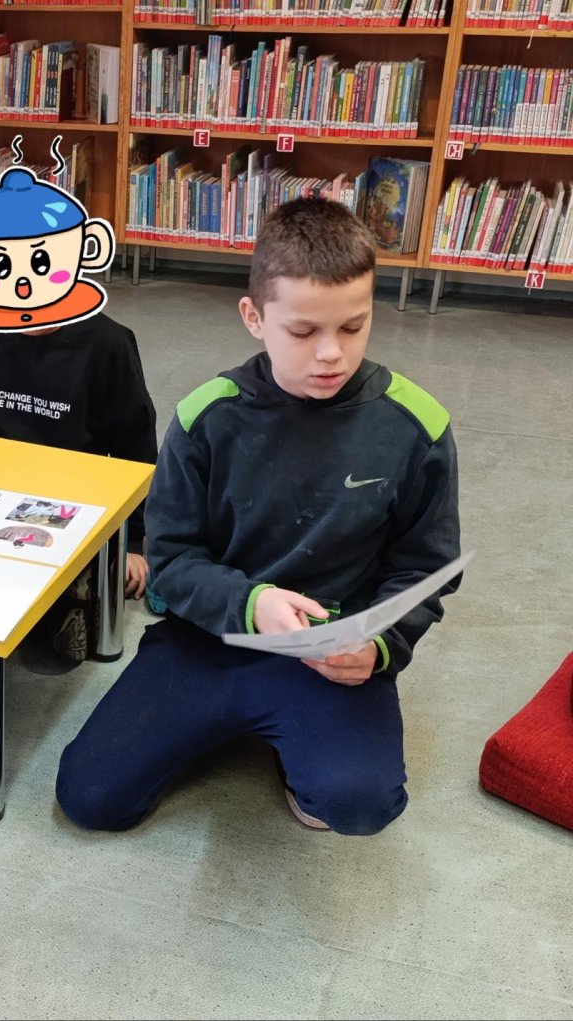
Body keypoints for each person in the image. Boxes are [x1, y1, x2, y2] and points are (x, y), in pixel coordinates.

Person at [56, 198, 462, 836]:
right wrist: (250, 604)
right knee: (91, 799)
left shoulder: (417, 427)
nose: (331, 354)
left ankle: (295, 740)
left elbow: (425, 568)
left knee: (356, 805)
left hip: (328, 652)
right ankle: (237, 723)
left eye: (353, 327)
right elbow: (171, 562)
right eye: (303, 332)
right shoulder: (206, 417)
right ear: (254, 317)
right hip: (210, 640)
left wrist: (380, 645)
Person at [0, 310, 157, 662]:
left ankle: (71, 597)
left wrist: (129, 542)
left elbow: (135, 445)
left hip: (63, 498)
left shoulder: (108, 342)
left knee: (42, 608)